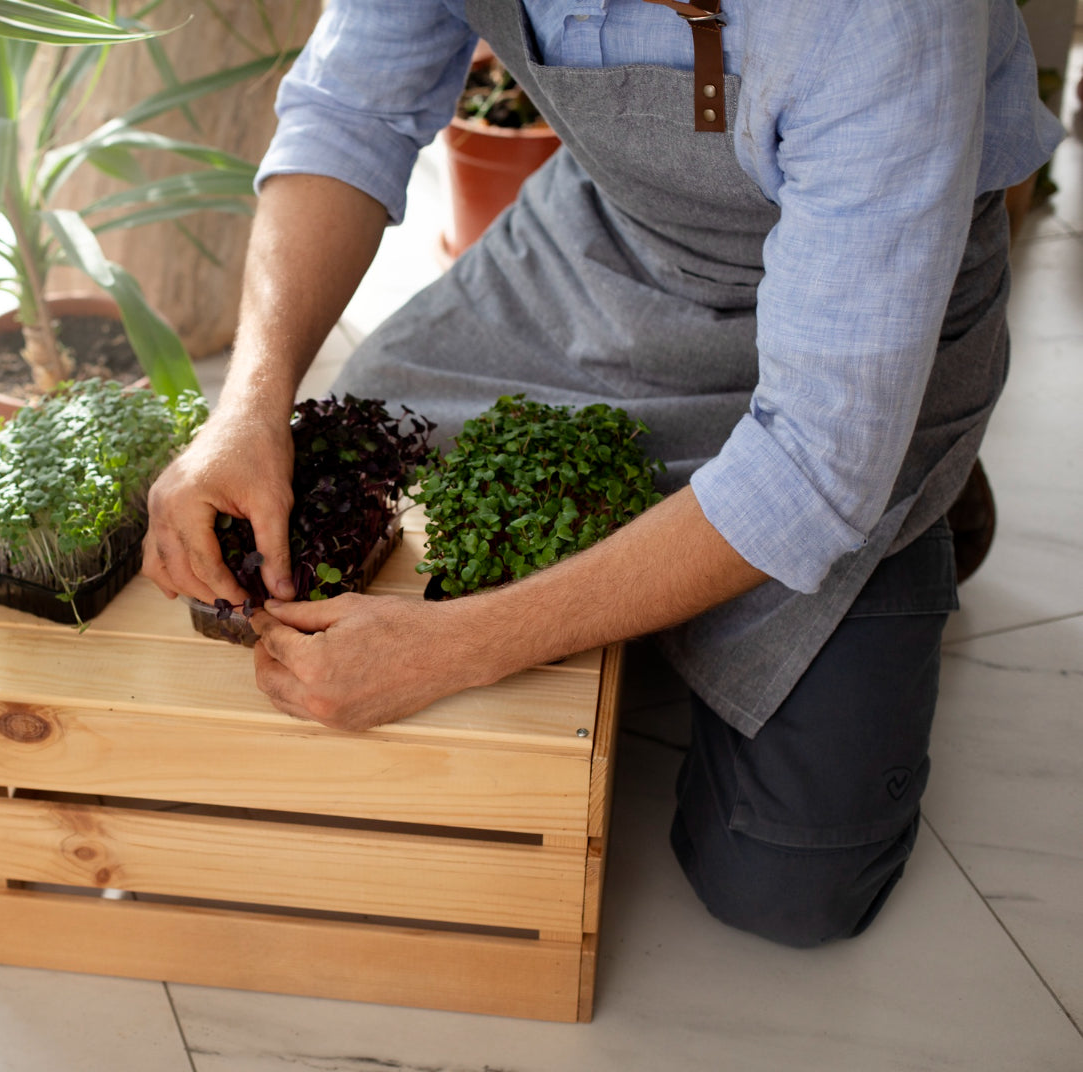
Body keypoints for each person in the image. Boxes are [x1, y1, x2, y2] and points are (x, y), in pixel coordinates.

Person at [142, 1, 1063, 947]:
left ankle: (925, 492)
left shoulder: (884, 17)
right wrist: (249, 402)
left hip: (865, 326)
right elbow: (351, 114)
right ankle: (696, 553)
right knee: (373, 453)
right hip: (612, 255)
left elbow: (813, 463)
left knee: (787, 886)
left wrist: (452, 648)